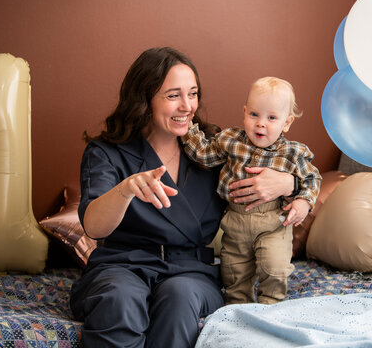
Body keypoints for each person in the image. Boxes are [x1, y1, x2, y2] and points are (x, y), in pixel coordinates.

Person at [69, 47, 298, 348]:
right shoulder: (106, 152)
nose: (187, 106)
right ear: (144, 98)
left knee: (180, 298)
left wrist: (288, 182)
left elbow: (280, 161)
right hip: (121, 265)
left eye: (193, 94)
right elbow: (94, 227)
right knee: (119, 299)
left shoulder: (213, 148)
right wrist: (126, 189)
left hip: (191, 272)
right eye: (173, 95)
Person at [181, 76, 322, 305]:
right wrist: (188, 128)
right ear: (245, 112)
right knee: (233, 271)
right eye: (254, 114)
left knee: (274, 267)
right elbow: (204, 154)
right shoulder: (231, 140)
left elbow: (311, 178)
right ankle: (238, 308)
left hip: (274, 222)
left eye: (272, 118)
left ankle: (271, 305)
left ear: (287, 122)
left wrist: (303, 203)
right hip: (236, 219)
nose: (261, 123)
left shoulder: (293, 152)